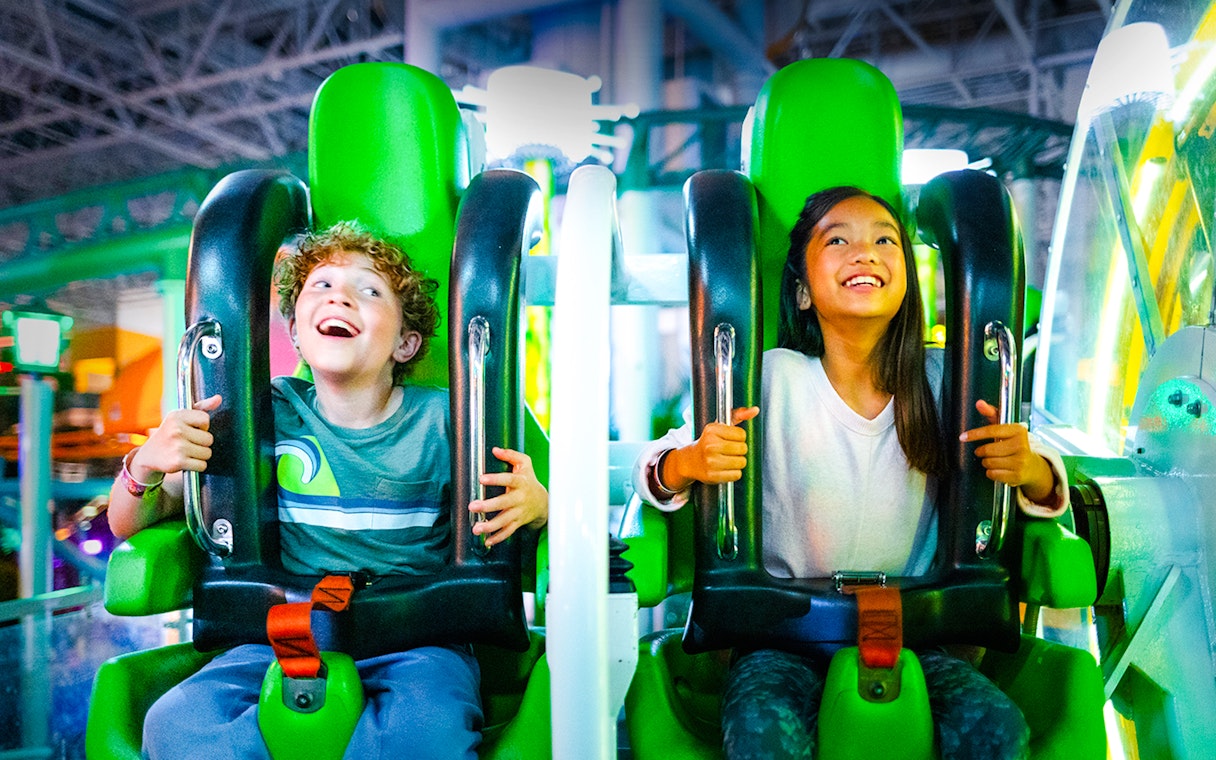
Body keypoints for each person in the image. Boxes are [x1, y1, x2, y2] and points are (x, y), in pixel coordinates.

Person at [632, 186, 1068, 760]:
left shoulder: (948, 381)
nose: (864, 253)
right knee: (763, 730)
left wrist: (1032, 470)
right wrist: (687, 464)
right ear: (802, 292)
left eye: (885, 240)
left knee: (998, 731)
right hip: (782, 637)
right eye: (838, 240)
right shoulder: (768, 378)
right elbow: (658, 464)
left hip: (920, 636)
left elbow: (1044, 480)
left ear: (908, 279)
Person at [108, 221, 548, 760]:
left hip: (417, 636)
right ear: (295, 331)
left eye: (368, 290)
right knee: (175, 723)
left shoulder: (449, 419)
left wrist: (538, 506)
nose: (339, 294)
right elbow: (129, 522)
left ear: (406, 343)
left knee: (426, 734)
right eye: (321, 286)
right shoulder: (260, 415)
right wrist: (146, 466)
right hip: (282, 630)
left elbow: (536, 511)